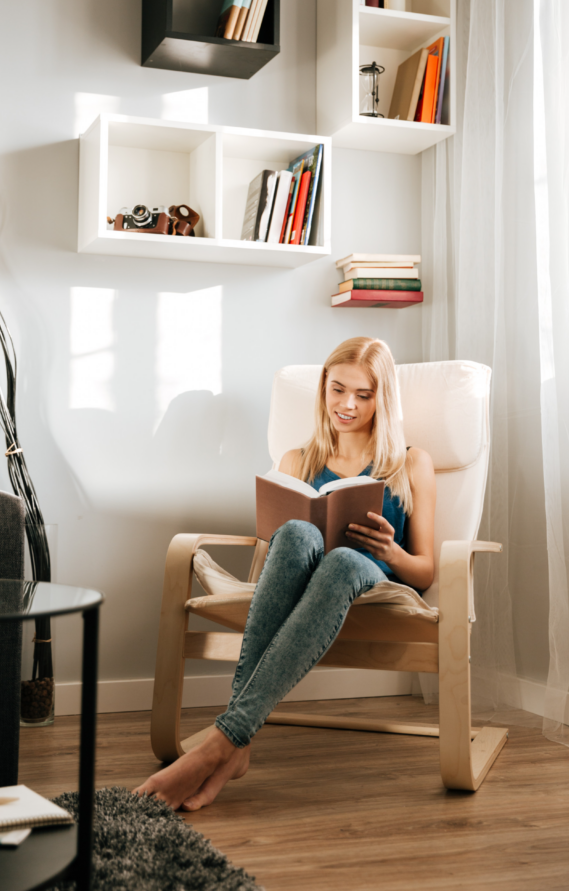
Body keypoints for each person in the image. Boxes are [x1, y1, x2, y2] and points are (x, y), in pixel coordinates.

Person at [134, 337, 436, 811]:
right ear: (323, 388)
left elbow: (426, 570)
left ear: (383, 398)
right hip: (306, 582)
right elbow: (280, 549)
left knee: (342, 560)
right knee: (296, 532)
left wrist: (391, 550)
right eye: (338, 390)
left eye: (363, 395)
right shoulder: (298, 460)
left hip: (370, 581)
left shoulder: (410, 463)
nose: (347, 405)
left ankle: (223, 742)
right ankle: (236, 745)